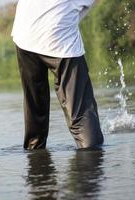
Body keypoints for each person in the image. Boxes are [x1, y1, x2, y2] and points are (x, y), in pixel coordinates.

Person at [11, 0, 104, 150]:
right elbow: (80, 12)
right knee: (81, 113)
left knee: (35, 111)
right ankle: (90, 155)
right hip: (59, 39)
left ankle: (36, 158)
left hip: (24, 33)